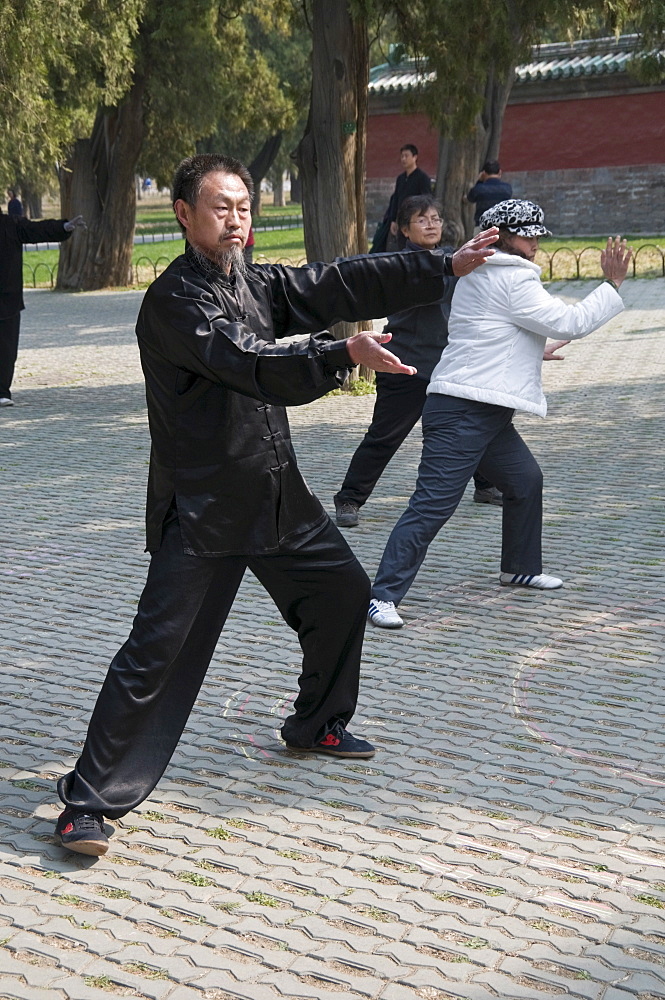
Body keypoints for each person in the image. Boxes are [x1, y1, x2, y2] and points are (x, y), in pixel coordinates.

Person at [53, 152, 499, 856]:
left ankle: (315, 723)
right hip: (203, 509)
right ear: (183, 214)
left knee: (343, 595)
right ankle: (85, 805)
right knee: (155, 655)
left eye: (244, 207)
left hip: (276, 492)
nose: (235, 218)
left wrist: (439, 267)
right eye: (220, 206)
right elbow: (251, 365)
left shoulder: (251, 281)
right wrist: (338, 354)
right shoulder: (176, 302)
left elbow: (330, 279)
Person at [367, 198, 632, 629]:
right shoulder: (513, 277)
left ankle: (520, 567)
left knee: (525, 480)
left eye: (538, 234)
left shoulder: (479, 271)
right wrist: (613, 286)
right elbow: (568, 322)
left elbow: (486, 328)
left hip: (484, 409)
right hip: (462, 410)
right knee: (433, 505)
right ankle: (382, 596)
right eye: (529, 235)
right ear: (504, 238)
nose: (536, 243)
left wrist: (530, 350)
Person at [334, 195, 502, 529]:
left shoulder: (450, 259)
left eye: (436, 218)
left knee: (469, 425)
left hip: (447, 362)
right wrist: (455, 263)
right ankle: (349, 499)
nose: (431, 224)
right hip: (404, 365)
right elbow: (432, 292)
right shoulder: (399, 263)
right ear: (404, 230)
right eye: (422, 219)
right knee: (384, 437)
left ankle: (485, 485)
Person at [0, 211, 85, 407]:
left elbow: (36, 230)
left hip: (7, 300)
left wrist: (63, 227)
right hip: (9, 299)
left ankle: (2, 390)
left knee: (5, 350)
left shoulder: (10, 224)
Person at [371, 144, 432, 253]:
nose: (403, 159)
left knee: (414, 248)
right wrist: (393, 220)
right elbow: (396, 199)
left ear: (415, 157)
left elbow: (426, 201)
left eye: (406, 156)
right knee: (400, 247)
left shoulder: (423, 178)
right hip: (401, 220)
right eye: (402, 156)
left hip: (415, 220)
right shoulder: (401, 178)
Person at [466, 161, 512, 231]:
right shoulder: (507, 188)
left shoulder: (479, 189)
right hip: (502, 227)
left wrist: (479, 181)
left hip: (482, 226)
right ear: (500, 172)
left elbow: (470, 198)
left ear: (483, 173)